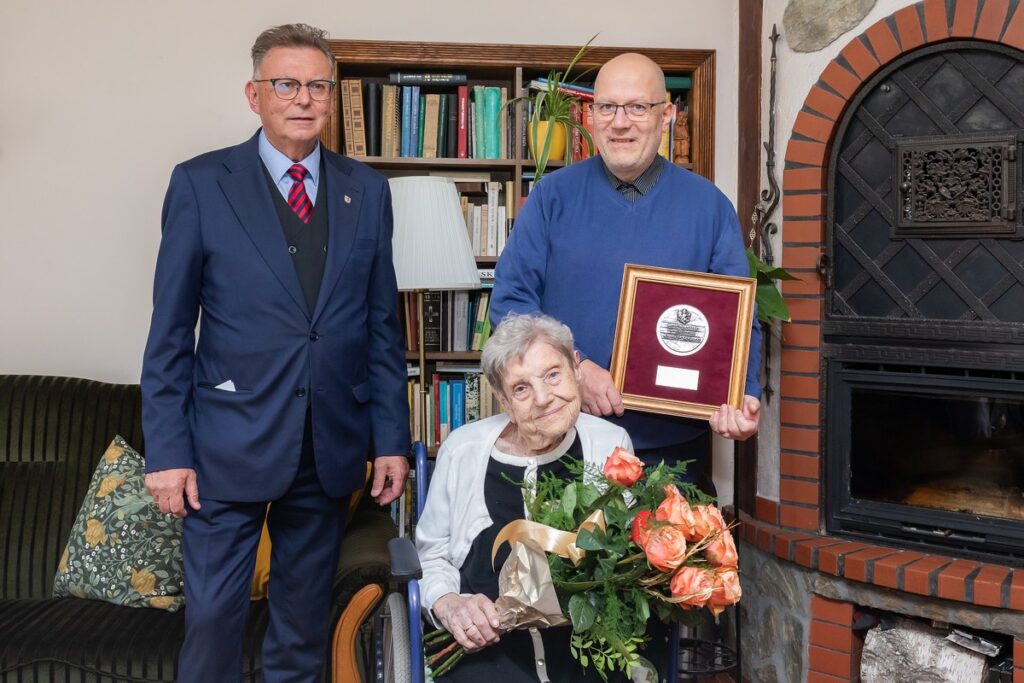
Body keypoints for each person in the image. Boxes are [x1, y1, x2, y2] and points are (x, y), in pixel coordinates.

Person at [140, 24, 410, 682]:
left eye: (318, 85)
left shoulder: (366, 191)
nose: (303, 98)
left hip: (327, 444)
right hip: (225, 443)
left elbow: (381, 327)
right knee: (211, 623)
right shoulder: (201, 184)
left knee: (301, 626)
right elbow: (171, 331)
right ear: (254, 94)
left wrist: (391, 438)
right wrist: (168, 451)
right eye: (286, 84)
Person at [491, 53, 762, 483]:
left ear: (667, 114)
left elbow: (738, 319)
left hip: (675, 451)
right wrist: (575, 368)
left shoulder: (709, 205)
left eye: (638, 106)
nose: (620, 122)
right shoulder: (550, 197)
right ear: (592, 115)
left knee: (678, 552)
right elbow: (510, 305)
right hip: (566, 442)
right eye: (606, 107)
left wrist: (742, 394)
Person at [416, 313, 637, 682]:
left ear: (576, 370)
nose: (543, 398)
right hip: (485, 648)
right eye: (521, 388)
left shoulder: (610, 443)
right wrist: (450, 605)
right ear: (503, 399)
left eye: (553, 374)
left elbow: (625, 556)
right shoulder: (463, 449)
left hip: (586, 645)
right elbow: (432, 555)